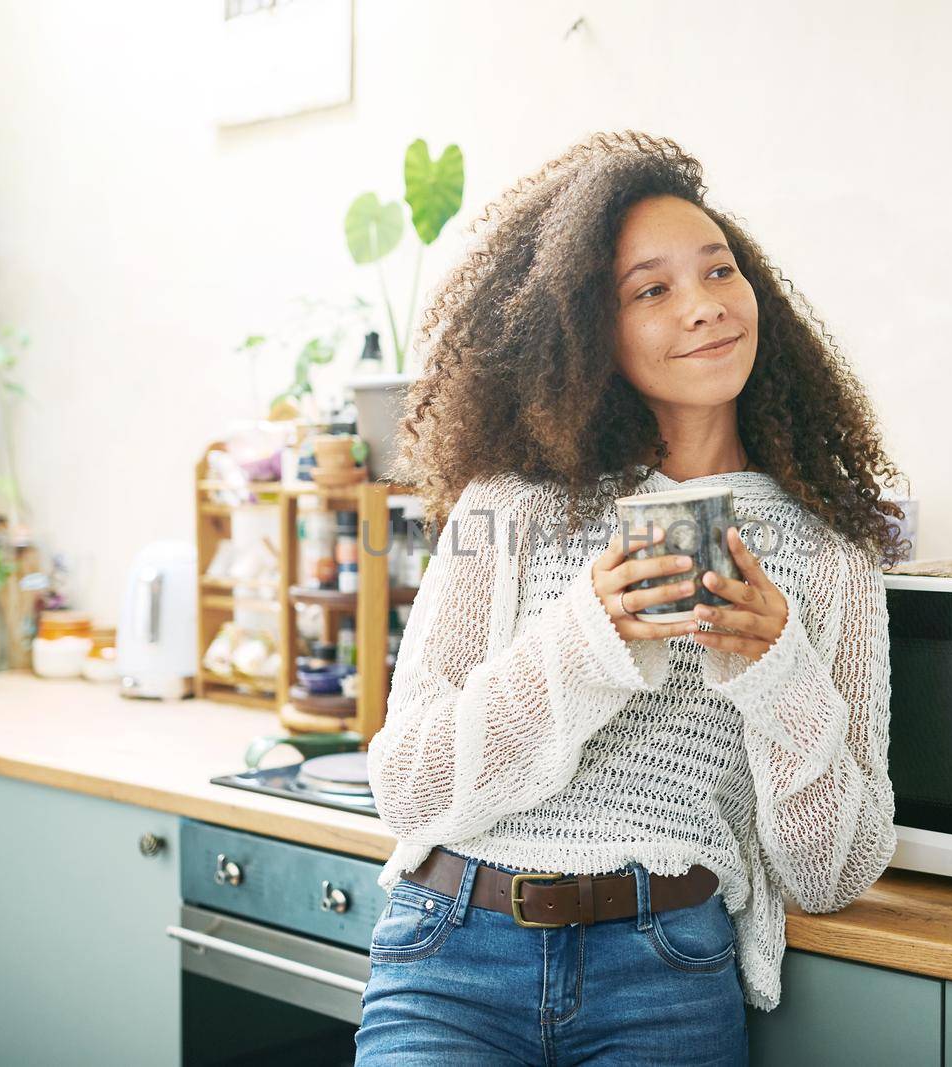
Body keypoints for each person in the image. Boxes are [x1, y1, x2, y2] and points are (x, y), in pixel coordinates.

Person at [355, 130, 905, 1066]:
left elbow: (832, 870)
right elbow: (407, 787)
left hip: (664, 975)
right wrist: (584, 638)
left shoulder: (833, 553)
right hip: (452, 954)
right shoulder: (507, 510)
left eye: (719, 271)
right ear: (589, 333)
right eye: (651, 290)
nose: (704, 308)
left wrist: (780, 672)